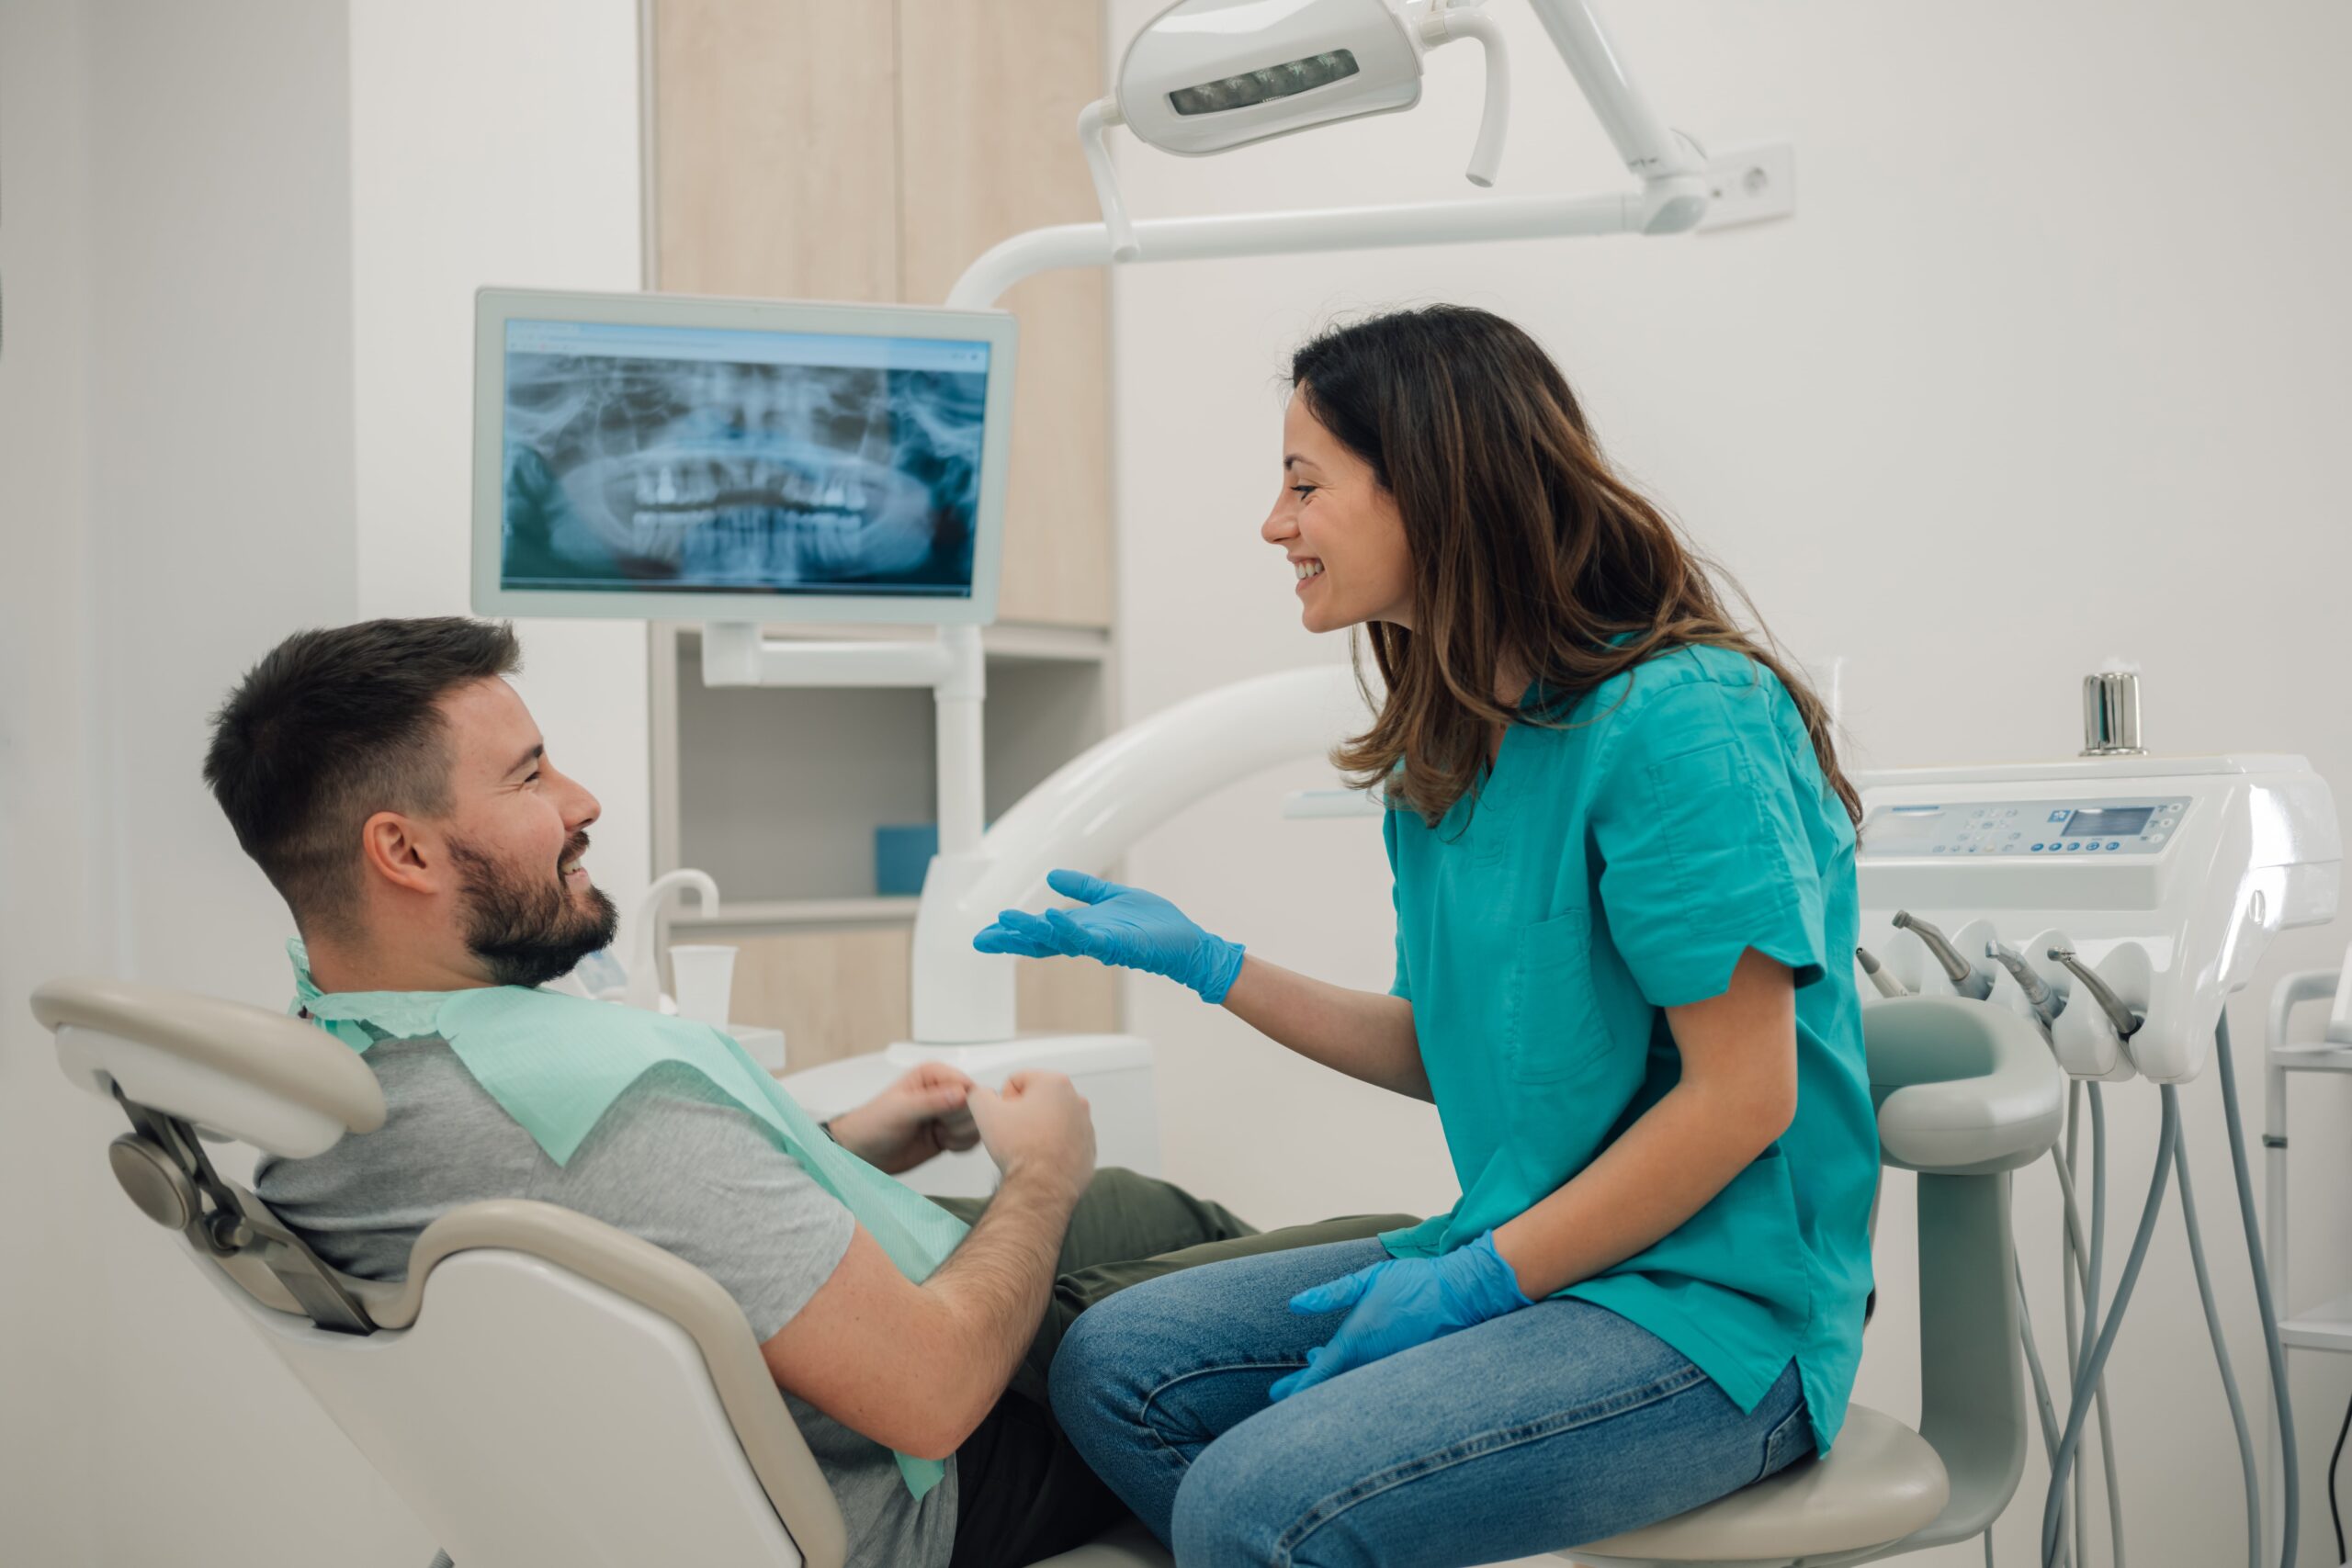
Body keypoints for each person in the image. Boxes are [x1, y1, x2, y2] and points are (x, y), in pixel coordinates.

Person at [201, 616, 1408, 1568]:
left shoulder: (361, 1069)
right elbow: (931, 1394)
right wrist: (1041, 1173)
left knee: (1157, 1208)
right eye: (528, 777)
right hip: (925, 1478)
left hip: (794, 1382)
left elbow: (647, 1231)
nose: (581, 801)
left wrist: (838, 1144)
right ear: (402, 851)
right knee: (1380, 1265)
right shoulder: (594, 1105)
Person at [975, 305, 1878, 1566]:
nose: (1273, 525)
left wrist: (1477, 1285)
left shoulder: (1682, 721)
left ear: (1438, 492)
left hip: (1714, 1313)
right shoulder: (1449, 746)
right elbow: (1445, 1046)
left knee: (1252, 1505)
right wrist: (1211, 967)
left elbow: (1742, 1100)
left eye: (1305, 484)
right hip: (1535, 1251)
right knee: (1111, 1364)